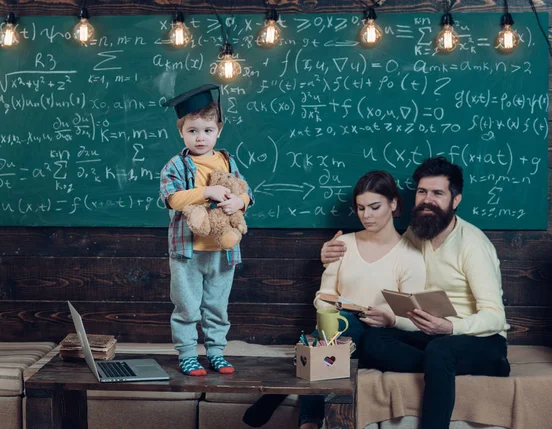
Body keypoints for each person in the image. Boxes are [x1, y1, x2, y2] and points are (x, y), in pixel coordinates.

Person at [320, 157, 510, 429]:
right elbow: (386, 257)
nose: (427, 200)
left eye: (438, 193)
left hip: (477, 336)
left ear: (455, 200)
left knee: (440, 351)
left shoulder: (473, 244)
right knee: (373, 340)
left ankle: (485, 367)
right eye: (422, 192)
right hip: (430, 330)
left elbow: (495, 316)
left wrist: (450, 327)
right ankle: (442, 366)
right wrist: (328, 256)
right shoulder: (416, 233)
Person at [244, 170, 426, 429]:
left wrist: (387, 317)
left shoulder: (410, 255)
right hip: (337, 332)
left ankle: (296, 412)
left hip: (379, 337)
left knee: (330, 337)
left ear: (393, 204)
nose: (367, 215)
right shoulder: (343, 244)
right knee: (335, 331)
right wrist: (335, 308)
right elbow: (322, 297)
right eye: (361, 208)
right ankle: (308, 421)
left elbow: (410, 314)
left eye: (375, 207)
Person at [159, 84, 254, 376]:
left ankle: (216, 352)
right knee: (187, 307)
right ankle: (188, 354)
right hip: (188, 251)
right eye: (193, 130)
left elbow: (245, 192)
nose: (200, 137)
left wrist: (240, 201)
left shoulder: (227, 161)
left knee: (216, 306)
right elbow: (172, 199)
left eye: (207, 130)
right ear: (181, 132)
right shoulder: (176, 165)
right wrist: (206, 192)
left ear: (218, 131)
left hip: (223, 251)